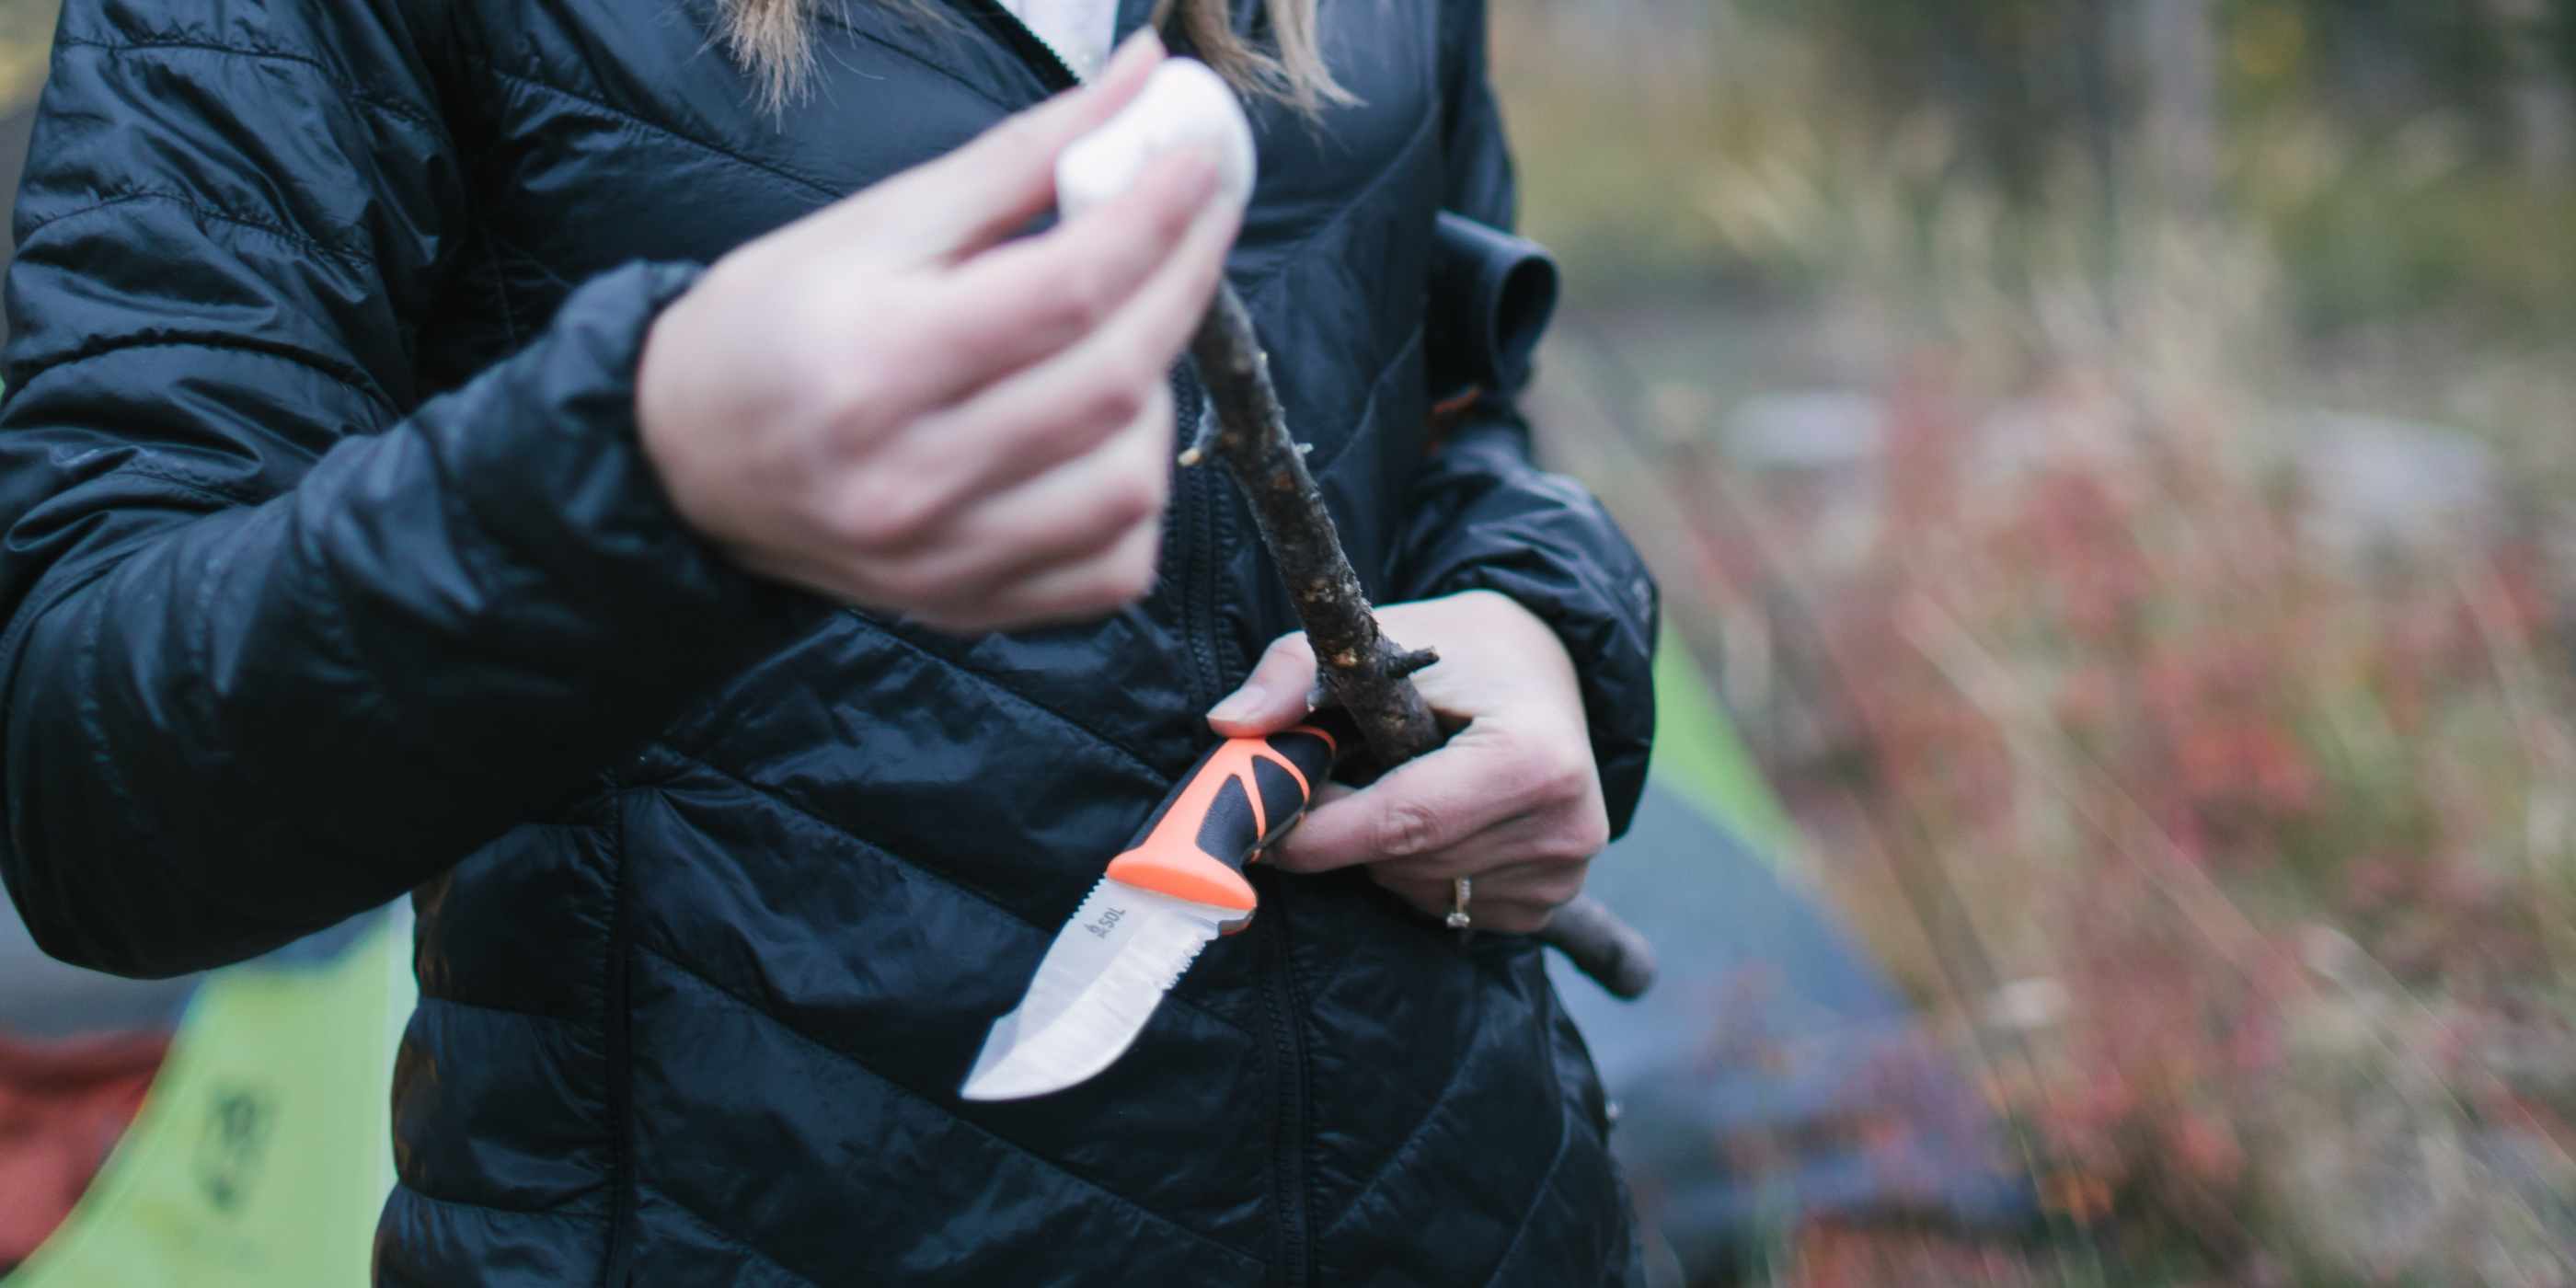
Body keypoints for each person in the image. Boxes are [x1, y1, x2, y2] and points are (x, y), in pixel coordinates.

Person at [0, 0, 1659, 1279]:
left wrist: (1547, 618)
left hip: (1484, 1218)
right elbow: (95, 779)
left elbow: (1450, 416)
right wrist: (637, 477)